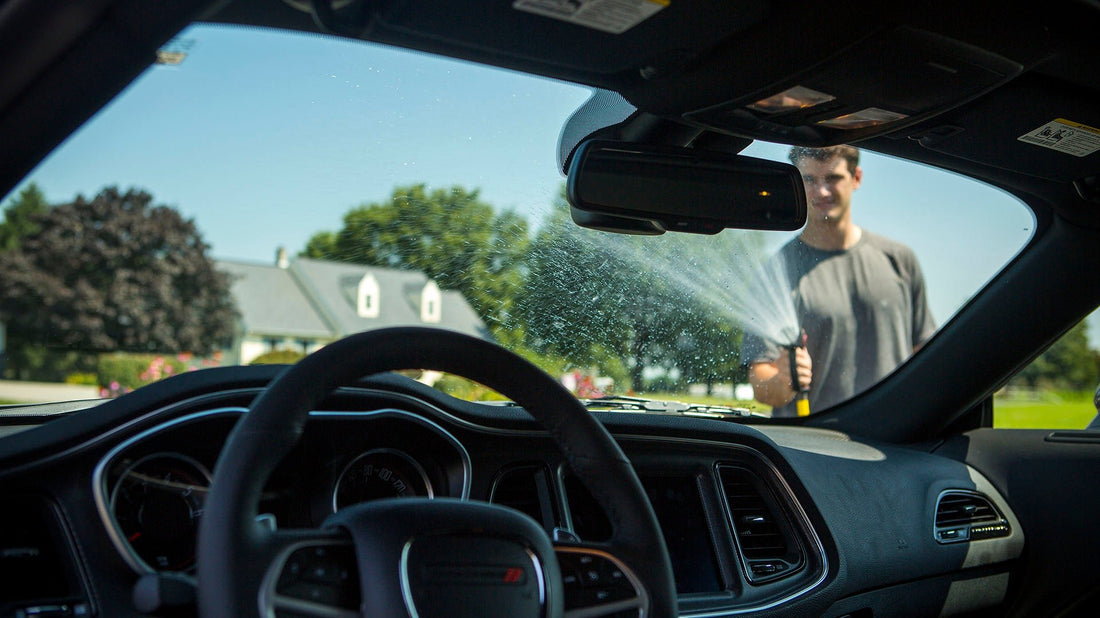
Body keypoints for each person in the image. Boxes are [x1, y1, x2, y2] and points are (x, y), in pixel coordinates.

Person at [741, 145, 936, 417]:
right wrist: (783, 378)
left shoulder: (899, 259)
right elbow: (761, 388)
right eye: (809, 179)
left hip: (893, 441)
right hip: (813, 447)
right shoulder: (776, 272)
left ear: (856, 178)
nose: (821, 191)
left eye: (833, 178)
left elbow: (925, 358)